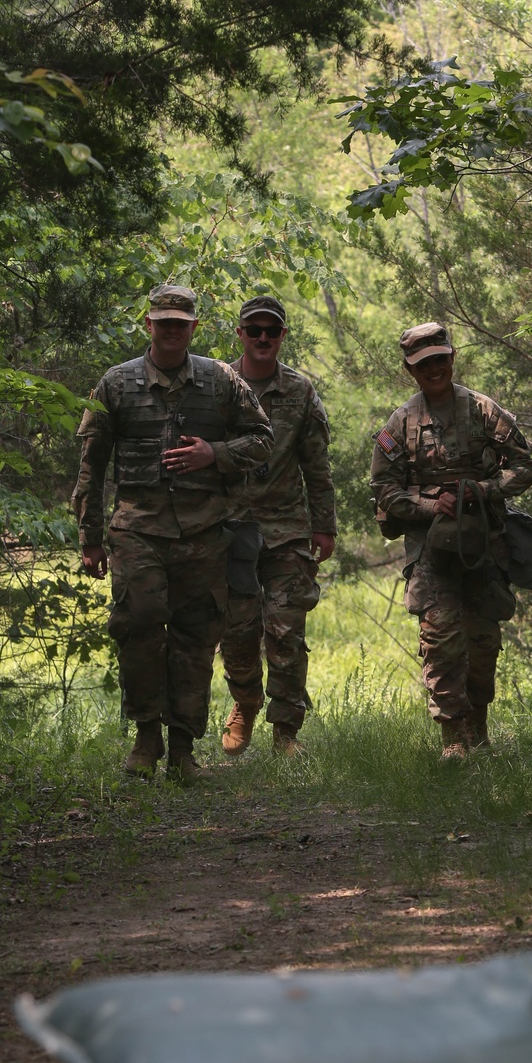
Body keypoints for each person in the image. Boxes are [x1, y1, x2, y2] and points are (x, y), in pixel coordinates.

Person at [72, 283, 274, 781]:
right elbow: (91, 467)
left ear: (193, 328)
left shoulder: (220, 380)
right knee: (139, 626)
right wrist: (90, 537)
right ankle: (146, 740)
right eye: (163, 322)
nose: (171, 331)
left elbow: (263, 439)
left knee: (197, 638)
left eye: (180, 324)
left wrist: (215, 454)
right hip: (138, 529)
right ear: (149, 325)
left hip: (204, 532)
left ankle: (183, 749)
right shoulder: (116, 385)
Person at [370, 322, 532, 760]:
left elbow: (522, 467)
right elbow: (384, 489)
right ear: (411, 370)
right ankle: (453, 739)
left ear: (452, 357)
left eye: (440, 359)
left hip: (484, 544)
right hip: (430, 550)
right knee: (441, 638)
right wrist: (428, 507)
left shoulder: (483, 411)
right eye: (424, 364)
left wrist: (481, 490)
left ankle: (477, 723)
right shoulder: (401, 422)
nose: (434, 369)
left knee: (482, 641)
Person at [220, 295, 337, 757]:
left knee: (287, 632)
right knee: (239, 632)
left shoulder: (300, 391)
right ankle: (244, 703)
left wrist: (324, 526)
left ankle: (286, 732)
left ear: (283, 335)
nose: (263, 338)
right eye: (255, 330)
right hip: (230, 531)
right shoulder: (219, 385)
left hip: (287, 530)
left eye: (272, 330)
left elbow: (317, 466)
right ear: (241, 334)